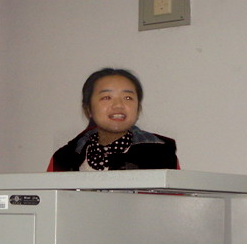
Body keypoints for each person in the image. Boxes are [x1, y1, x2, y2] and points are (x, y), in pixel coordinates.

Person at [47, 68, 179, 171]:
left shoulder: (161, 153)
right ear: (88, 109)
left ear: (138, 109)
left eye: (128, 98)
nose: (118, 105)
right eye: (106, 97)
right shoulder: (64, 158)